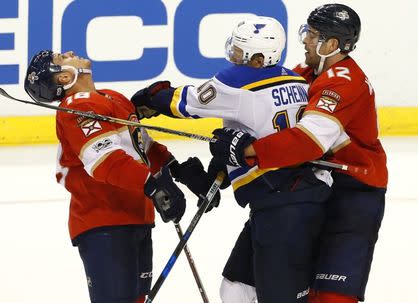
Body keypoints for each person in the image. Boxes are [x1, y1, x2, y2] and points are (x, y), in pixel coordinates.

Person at [131, 16, 333, 303]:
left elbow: (186, 103)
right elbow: (252, 130)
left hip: (285, 208)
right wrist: (218, 173)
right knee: (235, 287)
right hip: (287, 199)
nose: (233, 57)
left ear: (259, 58)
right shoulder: (298, 81)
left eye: (240, 52)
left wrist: (152, 97)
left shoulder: (240, 79)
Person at [209, 4, 387, 303]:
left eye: (312, 34)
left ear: (331, 45)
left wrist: (248, 151)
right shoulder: (304, 73)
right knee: (243, 286)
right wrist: (222, 164)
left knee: (330, 297)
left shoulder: (345, 82)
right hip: (309, 187)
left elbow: (308, 142)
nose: (304, 39)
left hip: (354, 195)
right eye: (306, 31)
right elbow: (270, 121)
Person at [23, 50, 218, 303]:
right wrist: (155, 187)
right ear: (62, 78)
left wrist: (177, 170)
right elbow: (106, 162)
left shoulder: (110, 97)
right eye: (61, 58)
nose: (69, 53)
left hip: (137, 214)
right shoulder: (76, 106)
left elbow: (142, 148)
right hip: (103, 219)